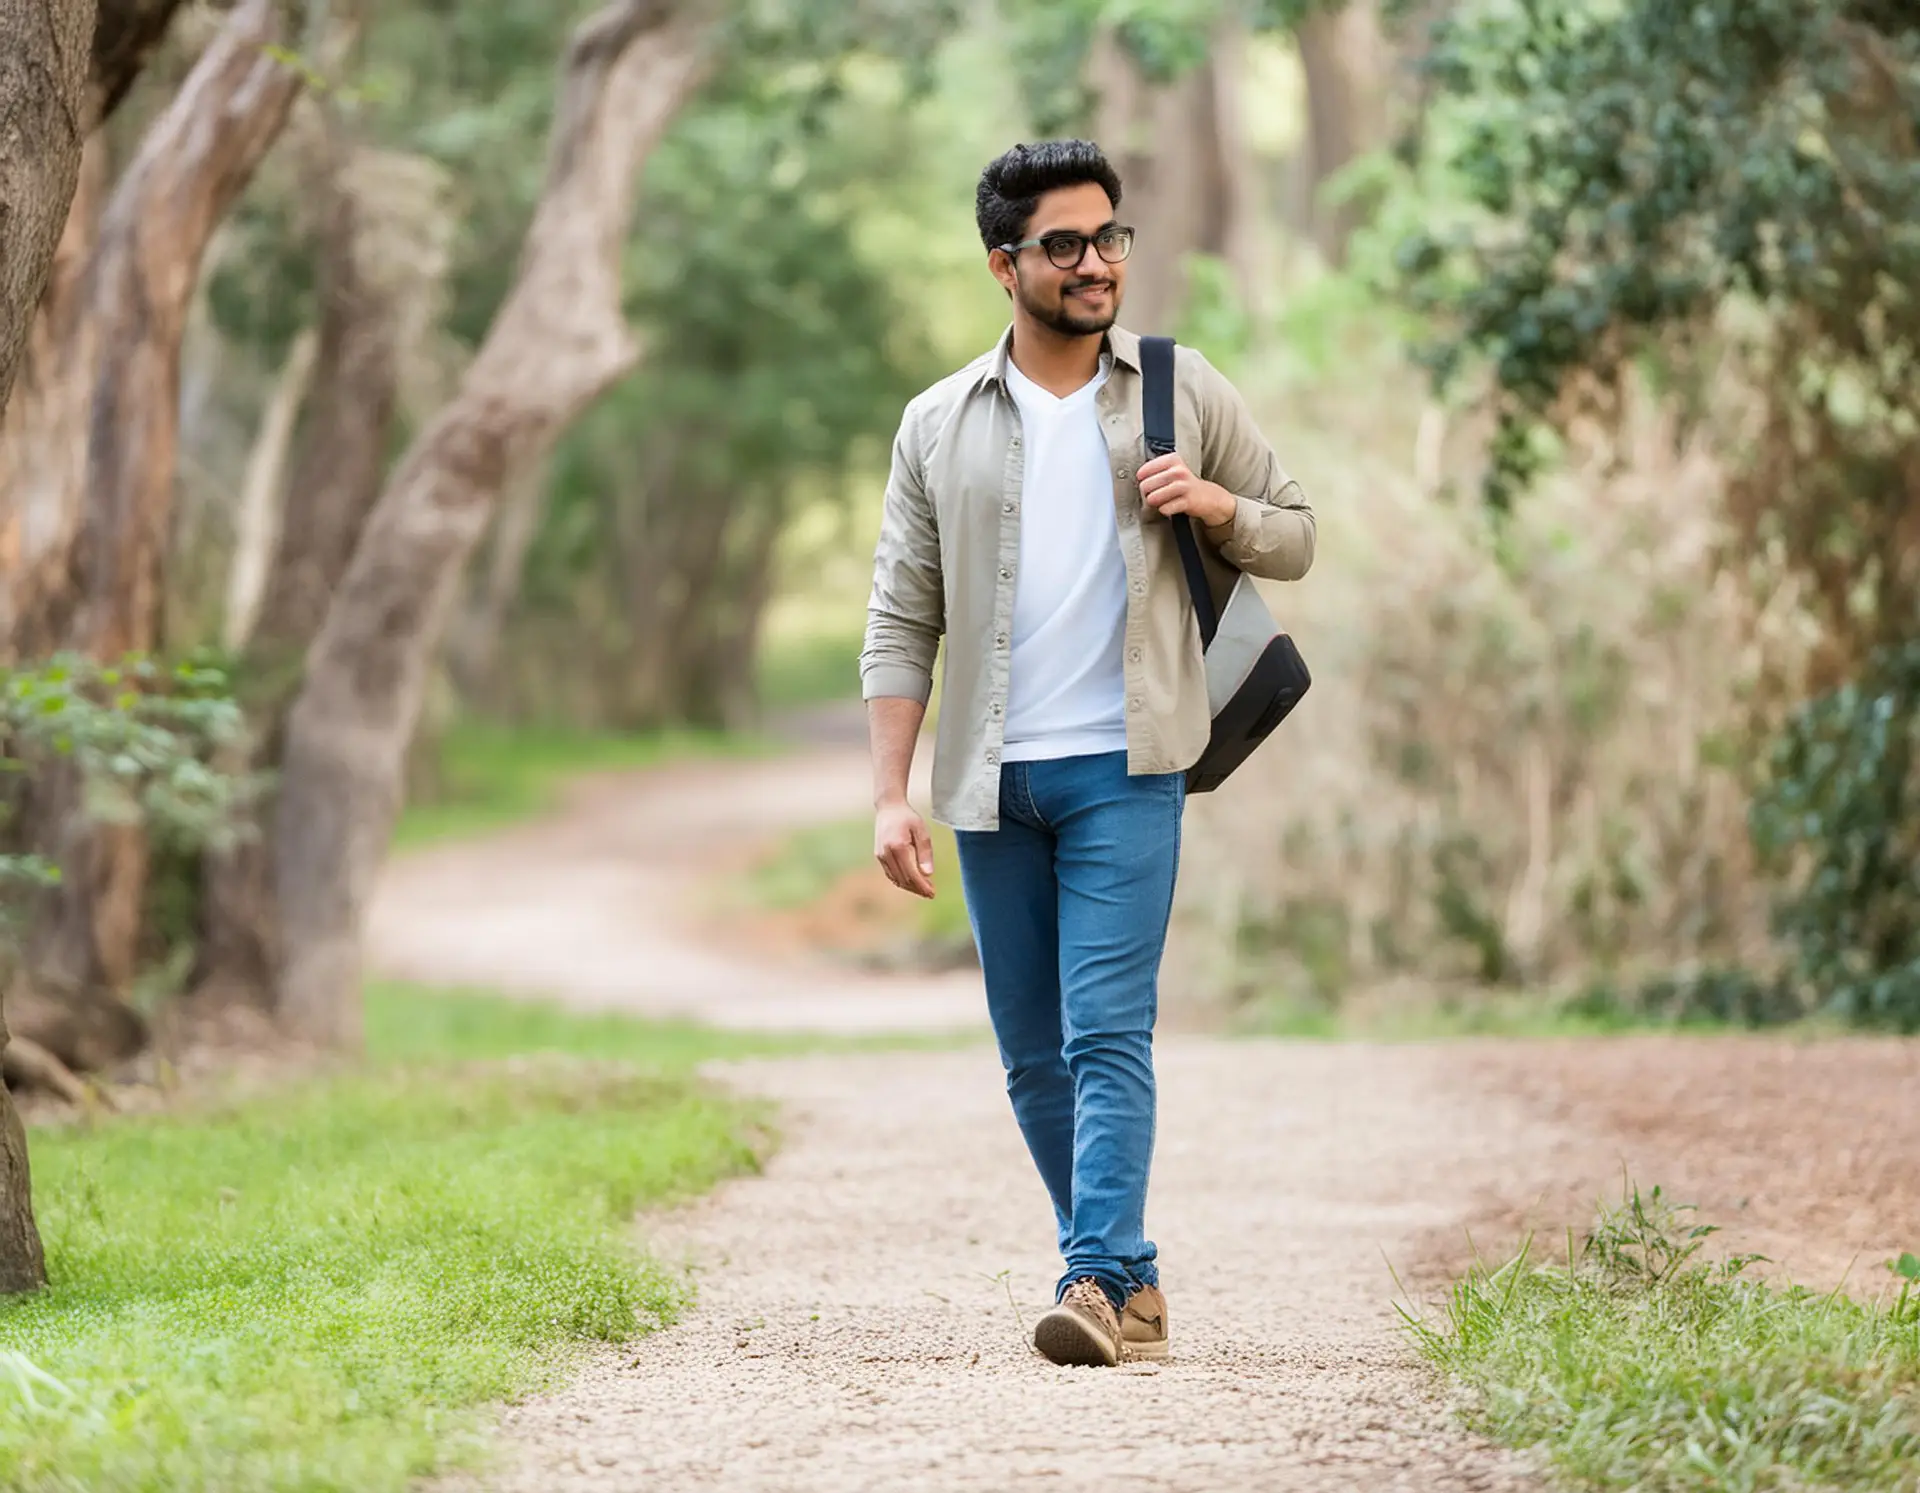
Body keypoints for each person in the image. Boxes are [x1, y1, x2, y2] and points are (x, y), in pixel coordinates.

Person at [859, 139, 1315, 1367]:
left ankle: (1097, 1279)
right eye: (1065, 244)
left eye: (1110, 237)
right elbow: (903, 615)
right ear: (1003, 264)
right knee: (1029, 1054)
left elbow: (1298, 535)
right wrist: (890, 794)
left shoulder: (1178, 385)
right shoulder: (937, 422)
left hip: (1131, 763)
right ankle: (1134, 1278)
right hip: (991, 780)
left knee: (1106, 1028)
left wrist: (1217, 507)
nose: (1097, 262)